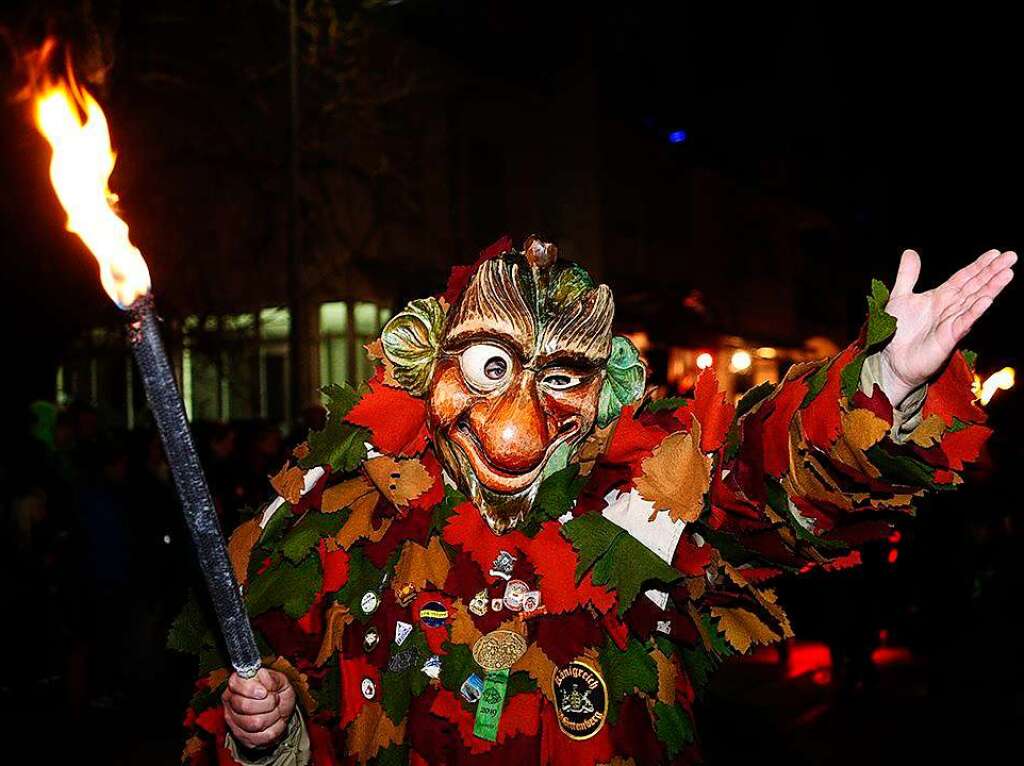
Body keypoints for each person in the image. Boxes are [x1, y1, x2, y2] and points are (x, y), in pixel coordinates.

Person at [176, 237, 1013, 764]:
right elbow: (267, 689)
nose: (516, 429)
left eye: (563, 380)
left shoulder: (641, 508)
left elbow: (759, 484)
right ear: (428, 363)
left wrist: (884, 379)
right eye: (491, 369)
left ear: (604, 394)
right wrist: (269, 732)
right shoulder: (341, 523)